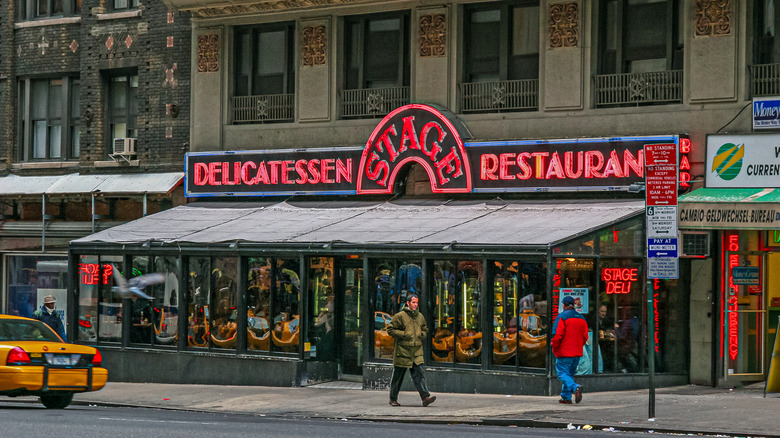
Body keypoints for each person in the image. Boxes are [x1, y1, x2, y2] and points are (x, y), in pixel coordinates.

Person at [387, 294, 436, 407]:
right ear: (408, 303)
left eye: (417, 302)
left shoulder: (420, 316)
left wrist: (422, 334)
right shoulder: (400, 316)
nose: (415, 305)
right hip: (402, 352)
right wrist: (404, 334)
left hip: (416, 352)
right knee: (397, 377)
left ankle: (425, 397)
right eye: (413, 302)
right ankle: (393, 399)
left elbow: (425, 328)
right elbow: (390, 329)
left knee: (419, 374)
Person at [552, 295, 589, 404]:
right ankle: (566, 397)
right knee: (568, 374)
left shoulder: (562, 317)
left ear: (563, 305)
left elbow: (557, 335)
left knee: (562, 374)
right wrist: (578, 346)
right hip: (576, 352)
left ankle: (575, 387)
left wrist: (554, 347)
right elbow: (585, 336)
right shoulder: (582, 318)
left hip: (564, 352)